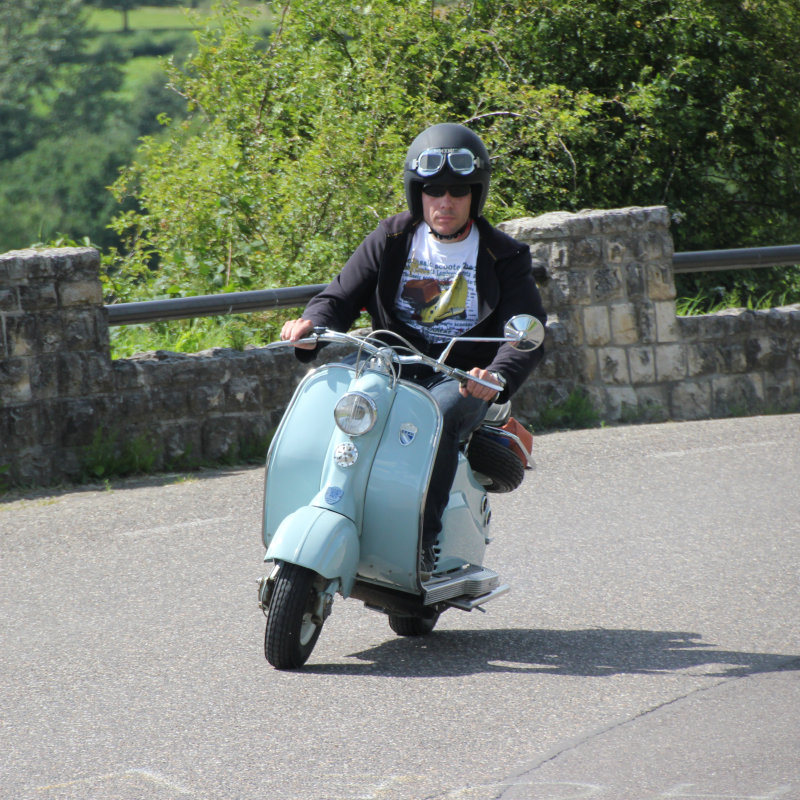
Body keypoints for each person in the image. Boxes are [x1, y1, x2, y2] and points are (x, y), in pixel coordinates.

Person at [281, 122, 547, 574]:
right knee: (331, 395)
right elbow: (340, 296)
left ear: (475, 195)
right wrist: (313, 324)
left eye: (458, 191)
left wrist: (495, 376)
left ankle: (421, 546)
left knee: (436, 417)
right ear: (417, 192)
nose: (445, 202)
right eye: (433, 190)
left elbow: (525, 330)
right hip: (389, 358)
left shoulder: (505, 257)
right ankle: (317, 509)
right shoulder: (391, 239)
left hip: (460, 377)